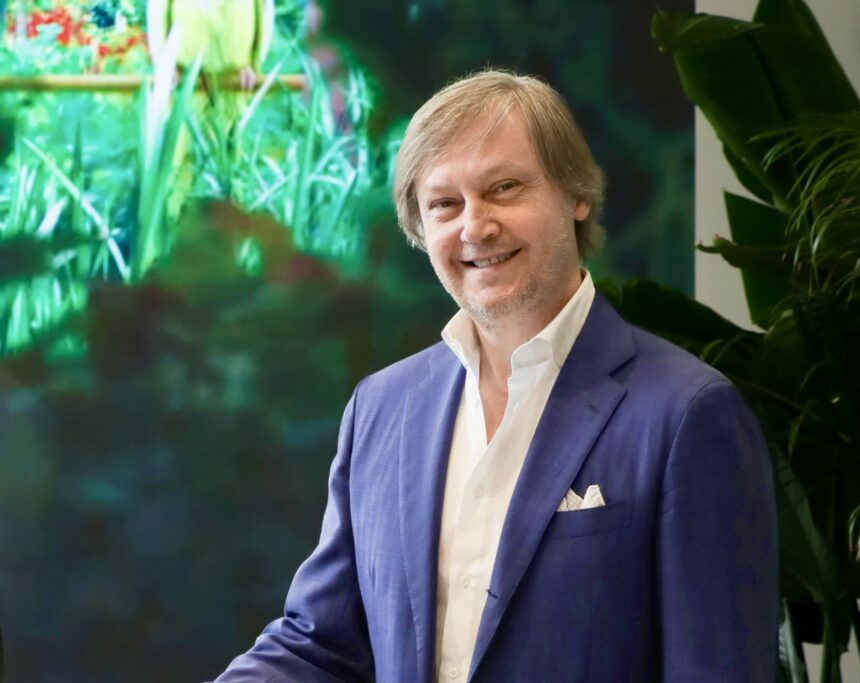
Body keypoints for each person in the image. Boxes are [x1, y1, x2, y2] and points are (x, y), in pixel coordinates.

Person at [212, 70, 778, 683]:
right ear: (420, 228)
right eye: (444, 204)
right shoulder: (380, 409)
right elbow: (320, 645)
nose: (475, 227)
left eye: (504, 188)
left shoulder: (687, 414)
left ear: (576, 195)